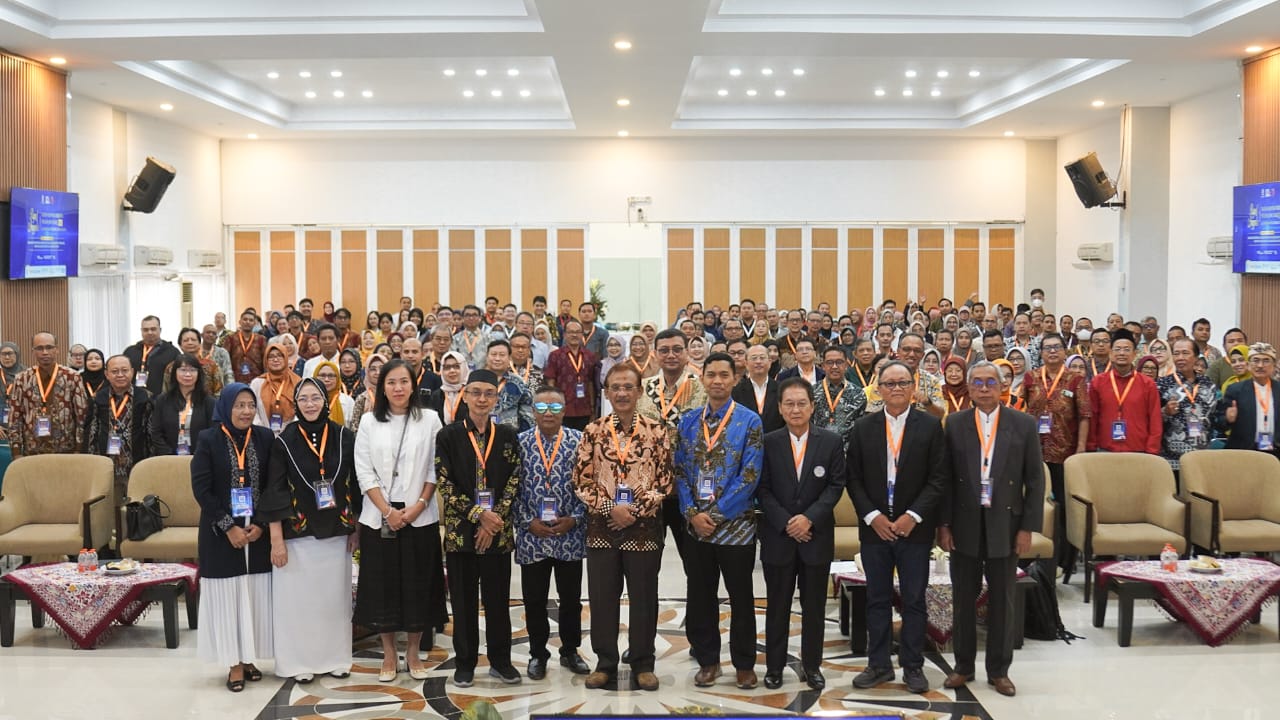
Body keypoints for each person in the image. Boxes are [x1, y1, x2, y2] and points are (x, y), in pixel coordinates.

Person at [939, 361, 1045, 698]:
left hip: (1006, 523)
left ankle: (999, 671)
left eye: (990, 382)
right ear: (969, 388)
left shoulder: (1023, 424)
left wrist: (1027, 528)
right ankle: (963, 666)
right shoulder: (955, 423)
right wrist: (944, 524)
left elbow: (1035, 480)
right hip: (964, 523)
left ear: (1002, 387)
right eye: (977, 382)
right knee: (962, 599)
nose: (984, 388)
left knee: (1002, 601)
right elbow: (945, 479)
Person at [847, 361, 947, 695]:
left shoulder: (930, 426)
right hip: (875, 530)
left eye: (903, 382)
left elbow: (938, 478)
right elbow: (853, 478)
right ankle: (878, 664)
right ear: (878, 389)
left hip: (914, 530)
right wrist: (872, 516)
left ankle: (913, 666)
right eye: (889, 384)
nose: (896, 389)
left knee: (914, 600)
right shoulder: (863, 427)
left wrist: (913, 516)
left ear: (913, 387)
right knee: (876, 599)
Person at [573, 362, 672, 692]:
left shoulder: (657, 431)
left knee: (644, 598)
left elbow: (665, 481)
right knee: (602, 598)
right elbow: (581, 480)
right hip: (602, 530)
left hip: (644, 530)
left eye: (629, 386)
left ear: (639, 391)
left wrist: (635, 511)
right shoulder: (593, 431)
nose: (622, 393)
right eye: (615, 387)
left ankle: (643, 663)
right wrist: (610, 509)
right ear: (606, 392)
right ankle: (605, 663)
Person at [352, 359, 447, 682]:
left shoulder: (430, 419)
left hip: (419, 518)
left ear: (413, 385)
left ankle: (414, 652)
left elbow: (435, 468)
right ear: (382, 387)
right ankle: (389, 654)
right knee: (384, 590)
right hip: (379, 520)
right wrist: (388, 511)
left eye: (404, 381)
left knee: (418, 588)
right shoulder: (369, 422)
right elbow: (363, 471)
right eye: (391, 382)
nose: (397, 388)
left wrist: (418, 506)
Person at [674, 353, 764, 690]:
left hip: (737, 527)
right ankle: (708, 660)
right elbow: (679, 470)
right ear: (702, 379)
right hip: (696, 529)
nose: (717, 381)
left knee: (741, 597)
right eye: (711, 374)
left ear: (734, 378)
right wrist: (692, 514)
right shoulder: (687, 421)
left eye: (724, 375)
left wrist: (713, 515)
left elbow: (750, 475)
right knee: (700, 596)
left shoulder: (750, 421)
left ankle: (744, 663)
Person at [261, 378, 359, 683]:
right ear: (296, 403)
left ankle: (335, 658)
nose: (310, 404)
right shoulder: (284, 441)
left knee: (333, 600)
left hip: (337, 533)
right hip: (296, 536)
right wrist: (276, 540)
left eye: (315, 397)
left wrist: (356, 528)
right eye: (303, 399)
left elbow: (356, 485)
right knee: (298, 603)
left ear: (325, 401)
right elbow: (275, 490)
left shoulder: (344, 436)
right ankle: (296, 661)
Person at [435, 369, 523, 687]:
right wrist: (478, 515)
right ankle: (465, 663)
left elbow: (515, 479)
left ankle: (501, 661)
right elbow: (444, 483)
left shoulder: (508, 435)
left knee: (498, 601)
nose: (482, 399)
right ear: (466, 395)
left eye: (488, 393)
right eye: (476, 392)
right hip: (462, 534)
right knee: (463, 602)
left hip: (497, 532)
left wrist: (493, 519)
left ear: (496, 398)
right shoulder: (448, 436)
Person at [758, 377, 846, 691]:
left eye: (801, 403)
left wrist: (808, 519)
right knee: (777, 607)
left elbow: (835, 485)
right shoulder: (768, 442)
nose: (796, 409)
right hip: (778, 537)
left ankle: (812, 666)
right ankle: (774, 667)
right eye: (789, 404)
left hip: (815, 537)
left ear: (812, 406)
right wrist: (787, 522)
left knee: (814, 609)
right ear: (780, 408)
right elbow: (762, 489)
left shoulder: (831, 441)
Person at [192, 384, 275, 692]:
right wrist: (228, 527)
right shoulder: (208, 439)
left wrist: (262, 524)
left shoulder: (265, 438)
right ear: (226, 407)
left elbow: (273, 484)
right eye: (239, 405)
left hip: (256, 533)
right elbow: (202, 489)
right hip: (219, 533)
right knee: (228, 596)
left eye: (250, 405)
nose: (246, 411)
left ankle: (250, 657)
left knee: (252, 595)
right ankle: (233, 663)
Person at [514, 386, 591, 680]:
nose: (549, 413)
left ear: (565, 410)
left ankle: (570, 650)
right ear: (533, 411)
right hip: (532, 537)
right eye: (542, 407)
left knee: (570, 599)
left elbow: (589, 485)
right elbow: (510, 487)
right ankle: (538, 653)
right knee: (534, 600)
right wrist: (526, 521)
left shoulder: (579, 441)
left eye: (556, 407)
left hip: (568, 535)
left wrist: (575, 519)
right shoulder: (520, 443)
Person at [1021, 333, 1089, 571]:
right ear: (1040, 353)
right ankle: (1031, 557)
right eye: (1047, 347)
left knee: (1062, 506)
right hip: (1034, 452)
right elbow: (1022, 410)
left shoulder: (1075, 379)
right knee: (1035, 503)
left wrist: (1081, 447)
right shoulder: (1031, 377)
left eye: (1056, 347)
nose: (1052, 351)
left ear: (1064, 351)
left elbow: (1084, 415)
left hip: (1064, 452)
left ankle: (1062, 561)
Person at [85, 354, 154, 514]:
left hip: (137, 463)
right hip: (107, 464)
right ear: (106, 374)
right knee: (109, 510)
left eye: (124, 370)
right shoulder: (98, 398)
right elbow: (92, 431)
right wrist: (91, 461)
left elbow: (150, 431)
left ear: (132, 372)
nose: (120, 375)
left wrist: (151, 460)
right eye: (115, 371)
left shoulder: (145, 397)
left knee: (137, 509)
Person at [5, 333, 90, 457]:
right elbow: (15, 417)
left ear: (57, 350)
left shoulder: (72, 377)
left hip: (66, 451)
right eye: (39, 348)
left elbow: (81, 415)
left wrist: (79, 449)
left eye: (49, 347)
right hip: (32, 451)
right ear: (33, 351)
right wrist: (16, 451)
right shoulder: (22, 379)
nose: (45, 352)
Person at [1087, 329, 1162, 454]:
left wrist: (1152, 450)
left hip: (1138, 450)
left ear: (1134, 354)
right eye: (1117, 349)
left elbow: (1155, 419)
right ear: (1111, 353)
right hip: (1105, 449)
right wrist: (1091, 446)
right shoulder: (1098, 382)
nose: (1122, 353)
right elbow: (1092, 417)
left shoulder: (1148, 384)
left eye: (1127, 349)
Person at [1156, 337, 1218, 481]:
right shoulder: (1163, 384)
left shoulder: (1208, 384)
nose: (1180, 358)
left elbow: (1215, 418)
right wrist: (1165, 412)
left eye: (1185, 353)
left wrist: (1227, 417)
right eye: (1176, 353)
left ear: (1196, 357)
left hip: (1201, 456)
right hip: (1171, 459)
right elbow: (1151, 419)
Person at [1215, 342, 1280, 458]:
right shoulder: (1235, 390)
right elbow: (1219, 423)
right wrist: (1228, 419)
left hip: (1275, 452)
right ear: (1248, 364)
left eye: (1266, 361)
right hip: (1243, 451)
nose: (1260, 365)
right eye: (1256, 360)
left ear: (1274, 365)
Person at [149, 354, 215, 456]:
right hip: (168, 459)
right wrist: (169, 454)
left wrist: (200, 455)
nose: (188, 374)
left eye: (192, 370)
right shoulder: (163, 400)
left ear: (199, 373)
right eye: (183, 370)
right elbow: (156, 432)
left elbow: (213, 432)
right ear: (174, 373)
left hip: (200, 457)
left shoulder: (208, 402)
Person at [543, 319, 599, 431]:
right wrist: (553, 404)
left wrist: (592, 407)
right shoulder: (555, 355)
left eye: (577, 332)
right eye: (571, 332)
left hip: (584, 408)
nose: (574, 335)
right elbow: (550, 381)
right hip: (563, 407)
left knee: (583, 438)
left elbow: (591, 382)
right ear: (564, 334)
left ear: (582, 335)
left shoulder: (589, 356)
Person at [812, 346, 867, 448]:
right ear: (823, 366)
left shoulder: (858, 394)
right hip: (818, 448)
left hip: (848, 450)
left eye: (839, 362)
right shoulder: (812, 392)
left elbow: (861, 428)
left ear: (846, 365)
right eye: (829, 362)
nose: (834, 366)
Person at [484, 339, 535, 432]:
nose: (497, 358)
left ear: (509, 358)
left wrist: (521, 434)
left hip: (509, 434)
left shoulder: (517, 382)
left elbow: (527, 411)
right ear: (487, 357)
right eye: (494, 354)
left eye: (502, 355)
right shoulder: (477, 380)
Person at [123, 315, 181, 396]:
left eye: (153, 329)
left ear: (160, 330)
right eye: (145, 330)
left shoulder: (172, 352)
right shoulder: (130, 351)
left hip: (162, 399)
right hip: (134, 398)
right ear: (141, 331)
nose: (149, 332)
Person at [732, 343, 783, 434]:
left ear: (770, 362)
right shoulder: (736, 392)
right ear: (746, 363)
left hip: (776, 439)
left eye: (762, 358)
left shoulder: (782, 389)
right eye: (754, 358)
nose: (758, 361)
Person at [251, 342, 300, 433]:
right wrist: (263, 432)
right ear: (266, 360)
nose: (275, 359)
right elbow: (253, 410)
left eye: (279, 356)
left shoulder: (297, 382)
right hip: (263, 434)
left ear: (286, 358)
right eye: (271, 357)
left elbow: (301, 410)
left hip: (292, 434)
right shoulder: (257, 383)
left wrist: (291, 432)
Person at [223, 310, 268, 383]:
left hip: (257, 380)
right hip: (235, 380)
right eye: (245, 319)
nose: (248, 322)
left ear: (254, 323)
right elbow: (225, 360)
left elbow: (266, 360)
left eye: (251, 320)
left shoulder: (261, 339)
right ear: (240, 322)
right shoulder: (231, 338)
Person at [428, 350, 470, 425]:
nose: (452, 371)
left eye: (456, 366)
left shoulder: (471, 393)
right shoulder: (436, 395)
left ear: (463, 368)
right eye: (447, 367)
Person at [312, 361, 354, 427]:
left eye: (331, 376)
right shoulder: (308, 400)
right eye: (322, 375)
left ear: (338, 378)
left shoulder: (348, 401)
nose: (326, 379)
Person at [451, 305, 491, 370]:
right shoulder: (455, 339)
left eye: (474, 315)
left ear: (480, 318)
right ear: (463, 318)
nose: (471, 318)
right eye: (467, 315)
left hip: (483, 373)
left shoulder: (488, 338)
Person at [200, 324, 236, 388]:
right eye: (208, 332)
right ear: (202, 335)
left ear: (216, 338)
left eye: (214, 333)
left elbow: (228, 373)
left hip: (217, 389)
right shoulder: (195, 350)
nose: (211, 335)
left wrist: (230, 389)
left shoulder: (222, 352)